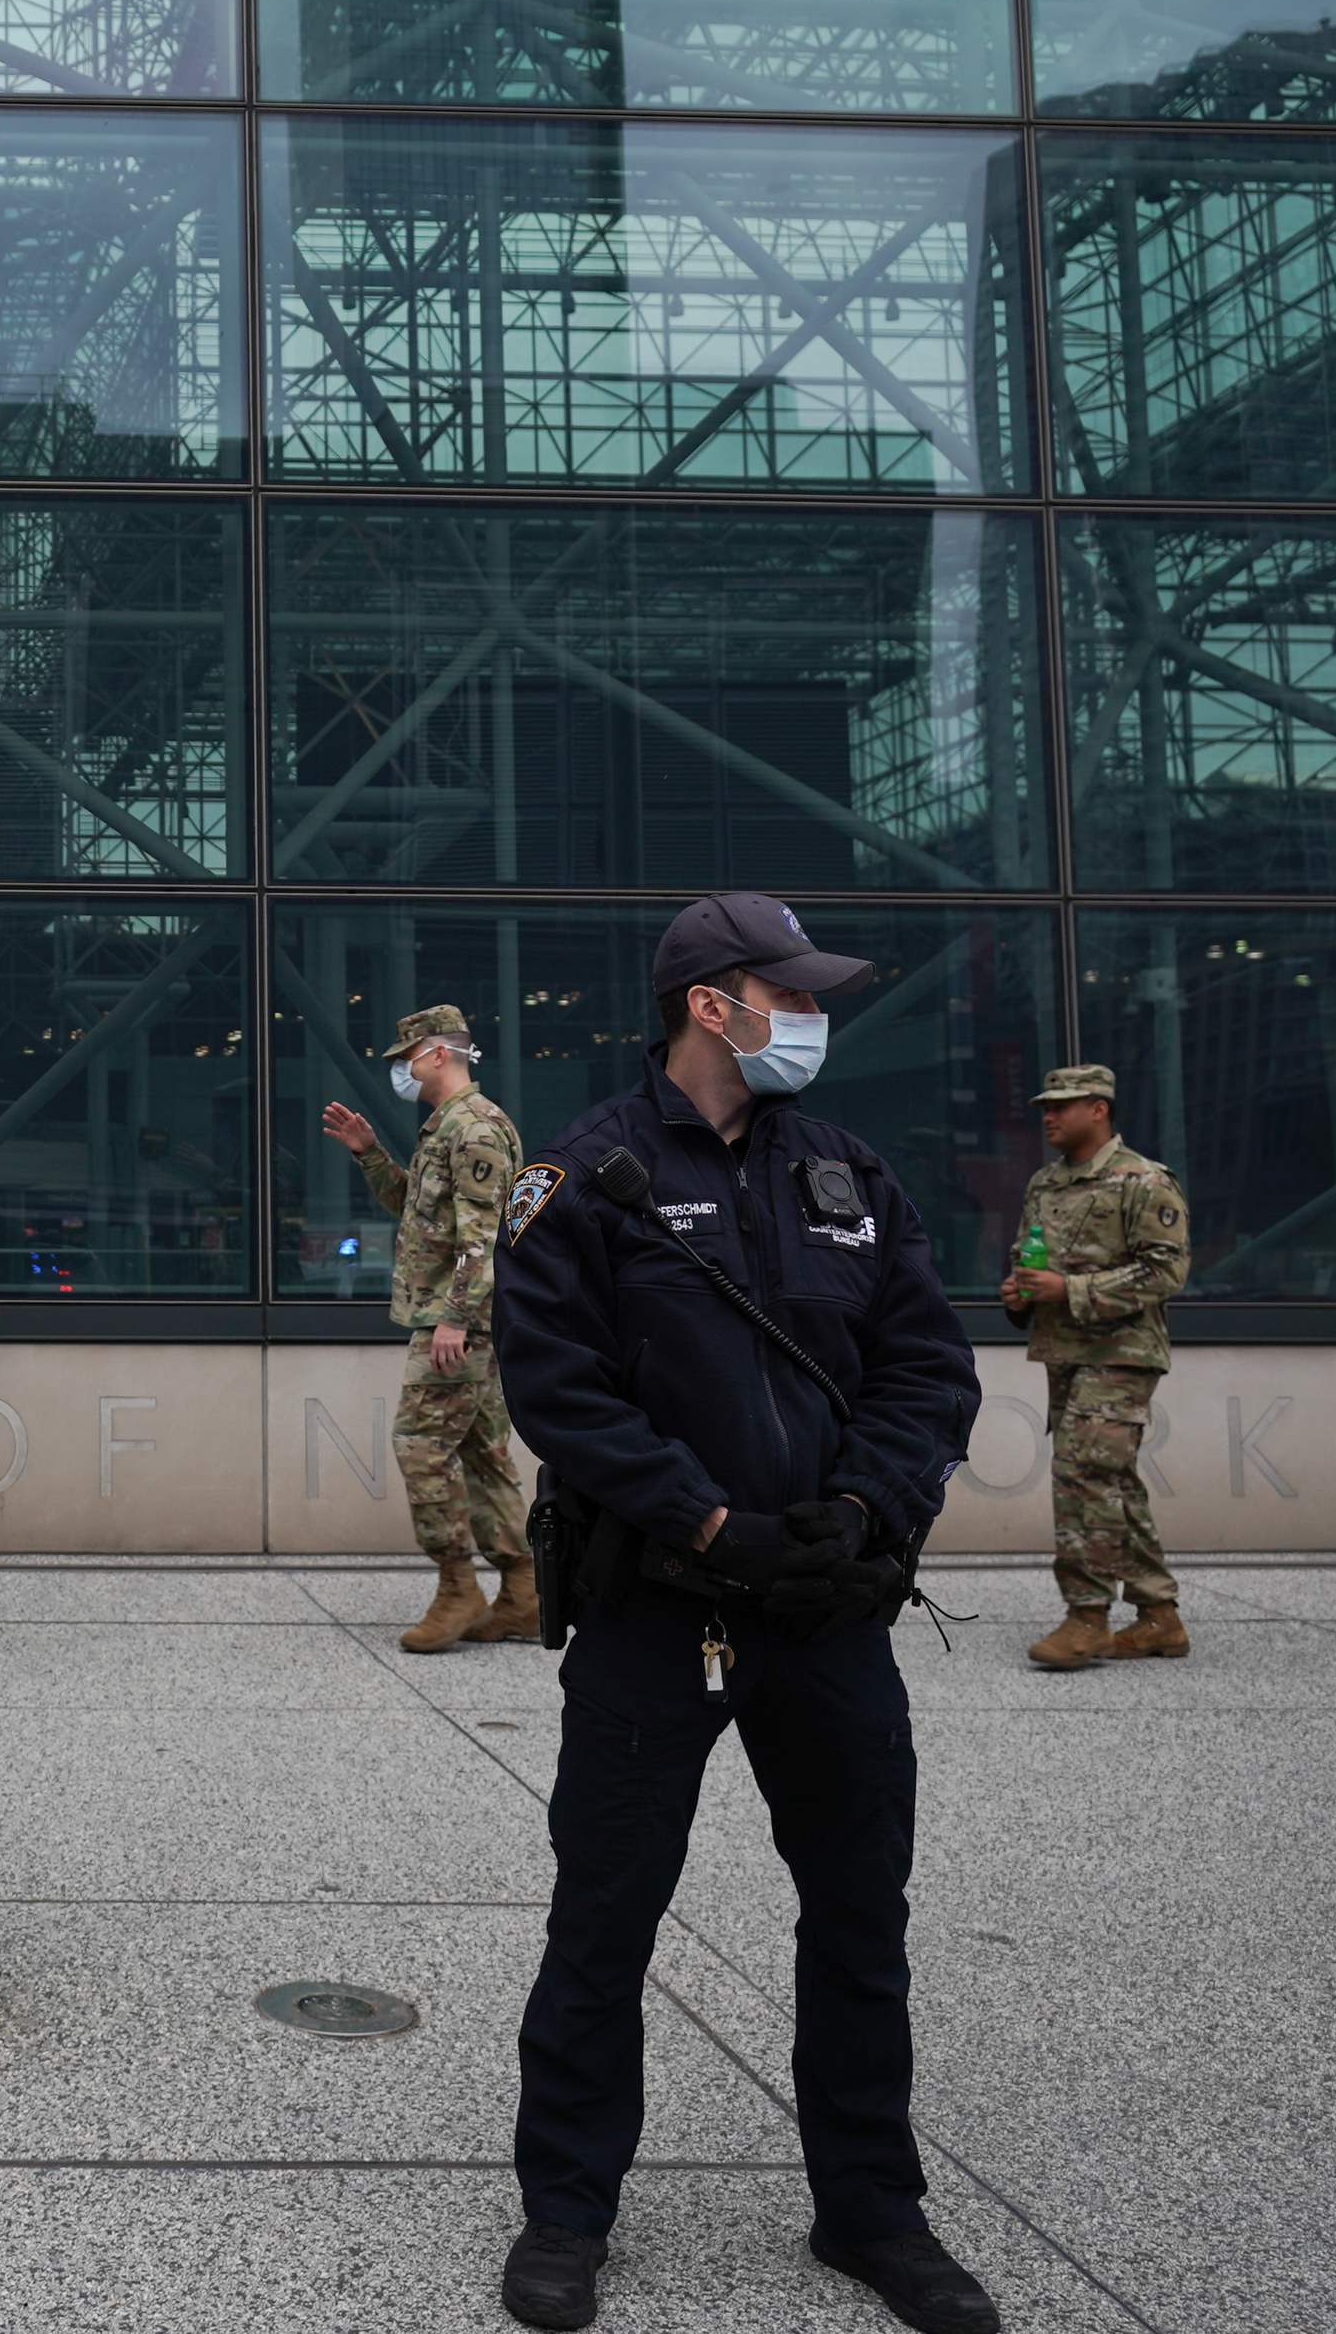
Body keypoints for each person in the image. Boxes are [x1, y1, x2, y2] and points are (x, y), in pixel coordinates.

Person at [490, 895, 995, 2334]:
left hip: (829, 1609)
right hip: (661, 1608)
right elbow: (558, 1389)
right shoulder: (585, 1171)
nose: (813, 1013)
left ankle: (872, 2209)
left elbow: (926, 1363)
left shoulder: (850, 1168)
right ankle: (569, 2209)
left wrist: (865, 1512)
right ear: (716, 1002)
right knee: (606, 1914)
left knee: (857, 1916)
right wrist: (708, 1519)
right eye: (793, 990)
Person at [319, 1001, 532, 1651]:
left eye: (406, 1058)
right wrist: (370, 1155)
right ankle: (525, 1594)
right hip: (464, 1320)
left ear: (439, 1053)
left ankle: (457, 1586)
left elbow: (482, 1240)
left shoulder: (473, 1129)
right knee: (483, 1454)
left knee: (418, 1443)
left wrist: (455, 1320)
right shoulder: (449, 1127)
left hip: (458, 1325)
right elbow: (423, 1211)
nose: (401, 1071)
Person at [1001, 1063, 1193, 1670]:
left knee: (1081, 1475)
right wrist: (1021, 1294)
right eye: (1045, 1107)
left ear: (1100, 1108)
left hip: (1122, 1354)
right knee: (1111, 1483)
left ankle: (1086, 1617)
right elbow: (1029, 1255)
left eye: (1063, 1105)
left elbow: (1166, 1271)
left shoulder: (1142, 1180)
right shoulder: (1045, 1184)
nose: (1050, 1117)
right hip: (1066, 1353)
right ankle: (1159, 1616)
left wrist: (1071, 1291)